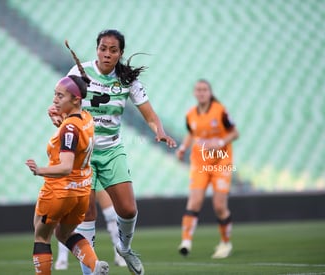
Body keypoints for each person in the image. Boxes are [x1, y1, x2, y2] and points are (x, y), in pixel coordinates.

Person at [49, 29, 176, 275]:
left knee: (128, 209)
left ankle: (125, 248)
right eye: (103, 48)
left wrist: (159, 131)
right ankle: (90, 270)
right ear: (97, 49)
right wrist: (55, 113)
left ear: (120, 53)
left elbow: (150, 116)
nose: (107, 54)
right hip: (81, 153)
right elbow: (58, 103)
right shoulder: (78, 73)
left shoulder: (128, 81)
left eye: (113, 50)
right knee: (87, 212)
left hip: (112, 150)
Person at [25, 74, 109, 275]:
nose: (55, 99)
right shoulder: (86, 118)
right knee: (65, 233)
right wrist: (60, 121)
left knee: (41, 235)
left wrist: (39, 170)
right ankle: (95, 265)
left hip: (58, 191)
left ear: (75, 99)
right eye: (55, 94)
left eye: (60, 96)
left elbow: (65, 167)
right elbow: (73, 134)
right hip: (81, 192)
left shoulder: (69, 128)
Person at [176, 79, 239, 259]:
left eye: (204, 90)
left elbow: (235, 132)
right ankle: (186, 241)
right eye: (198, 90)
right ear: (195, 93)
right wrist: (182, 148)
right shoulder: (190, 114)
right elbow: (191, 133)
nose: (201, 92)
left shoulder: (220, 111)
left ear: (210, 93)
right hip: (200, 163)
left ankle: (225, 243)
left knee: (219, 206)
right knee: (194, 202)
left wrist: (219, 142)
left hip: (221, 163)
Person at [55, 189, 126, 270]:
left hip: (95, 177)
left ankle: (119, 253)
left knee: (111, 213)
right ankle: (62, 258)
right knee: (68, 213)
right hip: (76, 179)